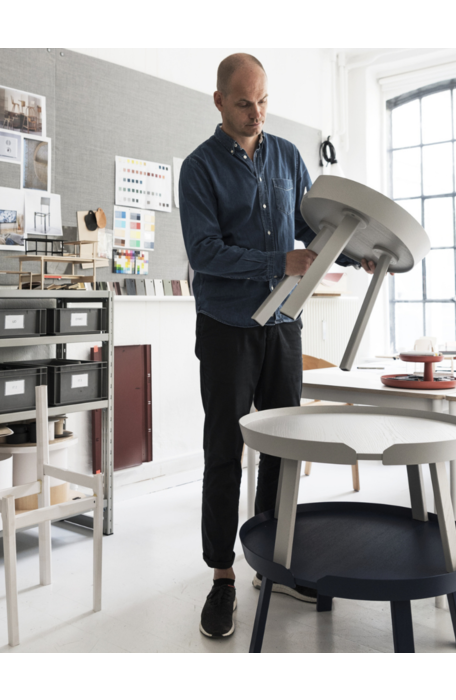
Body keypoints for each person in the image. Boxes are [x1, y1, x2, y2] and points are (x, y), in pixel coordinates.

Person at [179, 53, 376, 639]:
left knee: (283, 446)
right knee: (223, 452)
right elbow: (204, 253)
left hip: (281, 323)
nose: (256, 112)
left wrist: (358, 252)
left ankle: (274, 560)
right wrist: (275, 260)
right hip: (225, 328)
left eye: (264, 100)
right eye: (244, 102)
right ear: (219, 101)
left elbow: (315, 231)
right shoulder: (198, 169)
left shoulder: (289, 156)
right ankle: (222, 578)